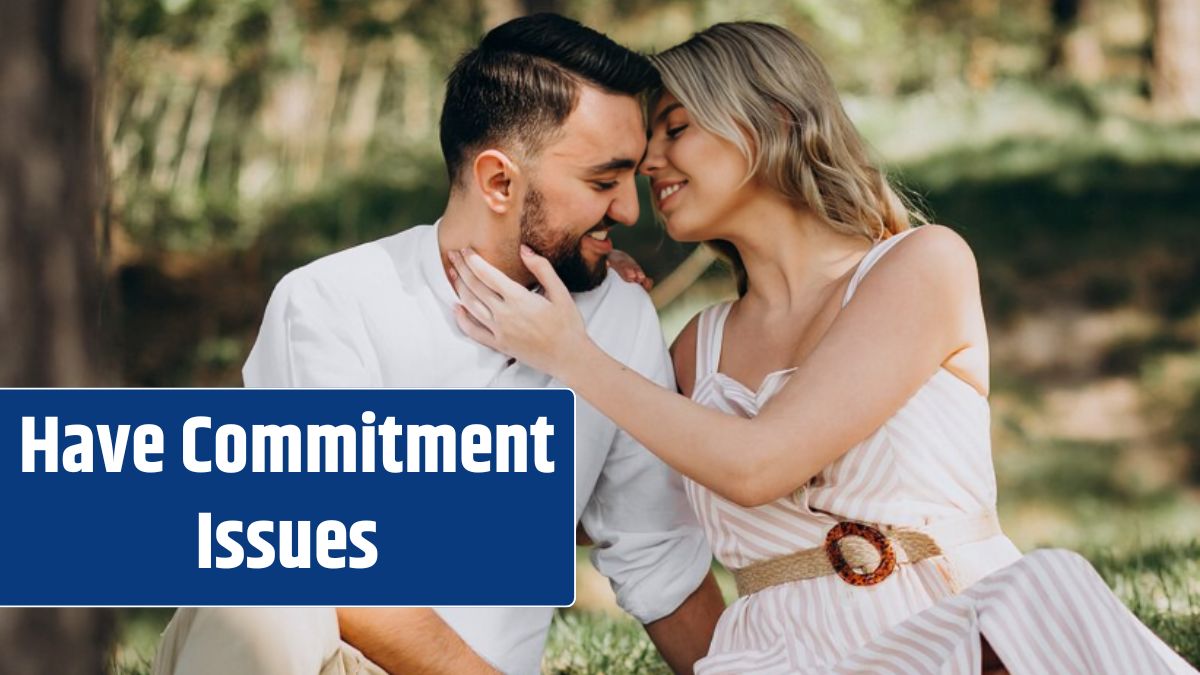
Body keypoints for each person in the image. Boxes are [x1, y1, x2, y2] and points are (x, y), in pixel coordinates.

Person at [448, 22, 1198, 674]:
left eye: (675, 129)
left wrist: (576, 355)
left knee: (1049, 584)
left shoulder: (920, 266)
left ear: (769, 119)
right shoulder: (692, 351)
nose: (650, 164)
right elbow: (582, 505)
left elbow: (760, 463)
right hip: (778, 657)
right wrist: (591, 314)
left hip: (957, 628)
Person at [151, 14, 724, 675]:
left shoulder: (618, 316)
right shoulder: (332, 302)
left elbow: (656, 552)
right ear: (499, 182)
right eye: (603, 181)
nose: (629, 210)